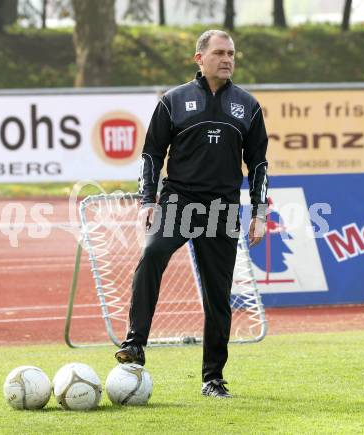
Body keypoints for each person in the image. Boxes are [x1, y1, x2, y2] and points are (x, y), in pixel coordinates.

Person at [115, 29, 269, 399]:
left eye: (231, 53)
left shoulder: (248, 106)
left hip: (222, 209)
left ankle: (213, 378)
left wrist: (259, 211)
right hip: (178, 203)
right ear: (199, 58)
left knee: (219, 297)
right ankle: (135, 344)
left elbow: (259, 164)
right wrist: (147, 201)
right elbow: (151, 155)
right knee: (152, 255)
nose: (227, 59)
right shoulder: (173, 100)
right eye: (219, 52)